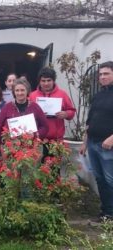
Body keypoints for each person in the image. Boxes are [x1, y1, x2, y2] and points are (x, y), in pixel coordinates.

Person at [80, 61, 113, 221]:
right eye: (100, 74)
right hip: (93, 143)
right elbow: (90, 121)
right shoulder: (98, 95)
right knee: (100, 179)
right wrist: (85, 143)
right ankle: (106, 212)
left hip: (108, 146)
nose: (102, 77)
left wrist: (112, 138)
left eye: (106, 73)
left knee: (110, 180)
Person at [29, 67, 76, 162]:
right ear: (39, 81)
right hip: (37, 138)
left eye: (49, 80)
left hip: (56, 139)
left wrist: (66, 114)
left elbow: (72, 111)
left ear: (53, 80)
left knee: (54, 169)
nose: (46, 83)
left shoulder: (62, 94)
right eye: (43, 81)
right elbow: (26, 114)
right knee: (37, 169)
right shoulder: (32, 95)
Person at [0, 78, 49, 145]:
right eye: (17, 90)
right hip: (11, 148)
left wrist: (35, 135)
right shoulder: (6, 108)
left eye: (22, 90)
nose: (20, 93)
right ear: (14, 92)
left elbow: (45, 127)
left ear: (27, 91)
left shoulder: (35, 107)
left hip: (31, 148)